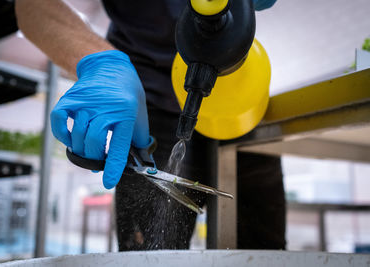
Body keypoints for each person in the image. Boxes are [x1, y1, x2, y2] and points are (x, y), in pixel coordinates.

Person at [15, 0, 285, 250]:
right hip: (146, 108)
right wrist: (101, 62)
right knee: (148, 256)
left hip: (241, 100)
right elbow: (32, 5)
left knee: (265, 254)